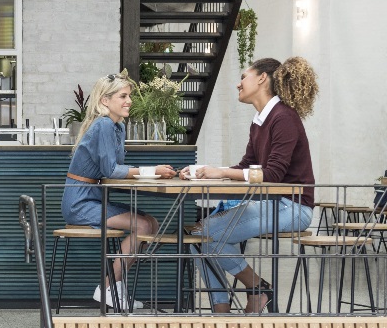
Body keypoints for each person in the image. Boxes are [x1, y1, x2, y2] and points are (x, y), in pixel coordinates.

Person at [181, 57, 317, 313]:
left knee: (202, 235)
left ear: (262, 78)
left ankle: (253, 290)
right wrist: (205, 171)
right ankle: (223, 305)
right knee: (196, 235)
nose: (238, 83)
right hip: (272, 204)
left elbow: (273, 175)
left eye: (244, 76)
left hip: (294, 207)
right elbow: (247, 166)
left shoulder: (284, 117)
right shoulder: (260, 120)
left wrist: (219, 171)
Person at [62, 73, 177, 310]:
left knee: (151, 223)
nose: (129, 101)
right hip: (80, 203)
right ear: (105, 100)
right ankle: (107, 287)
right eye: (123, 96)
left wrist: (148, 172)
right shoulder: (104, 124)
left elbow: (113, 170)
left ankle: (116, 287)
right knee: (143, 226)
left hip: (93, 197)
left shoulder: (117, 126)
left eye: (129, 96)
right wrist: (151, 170)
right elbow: (111, 170)